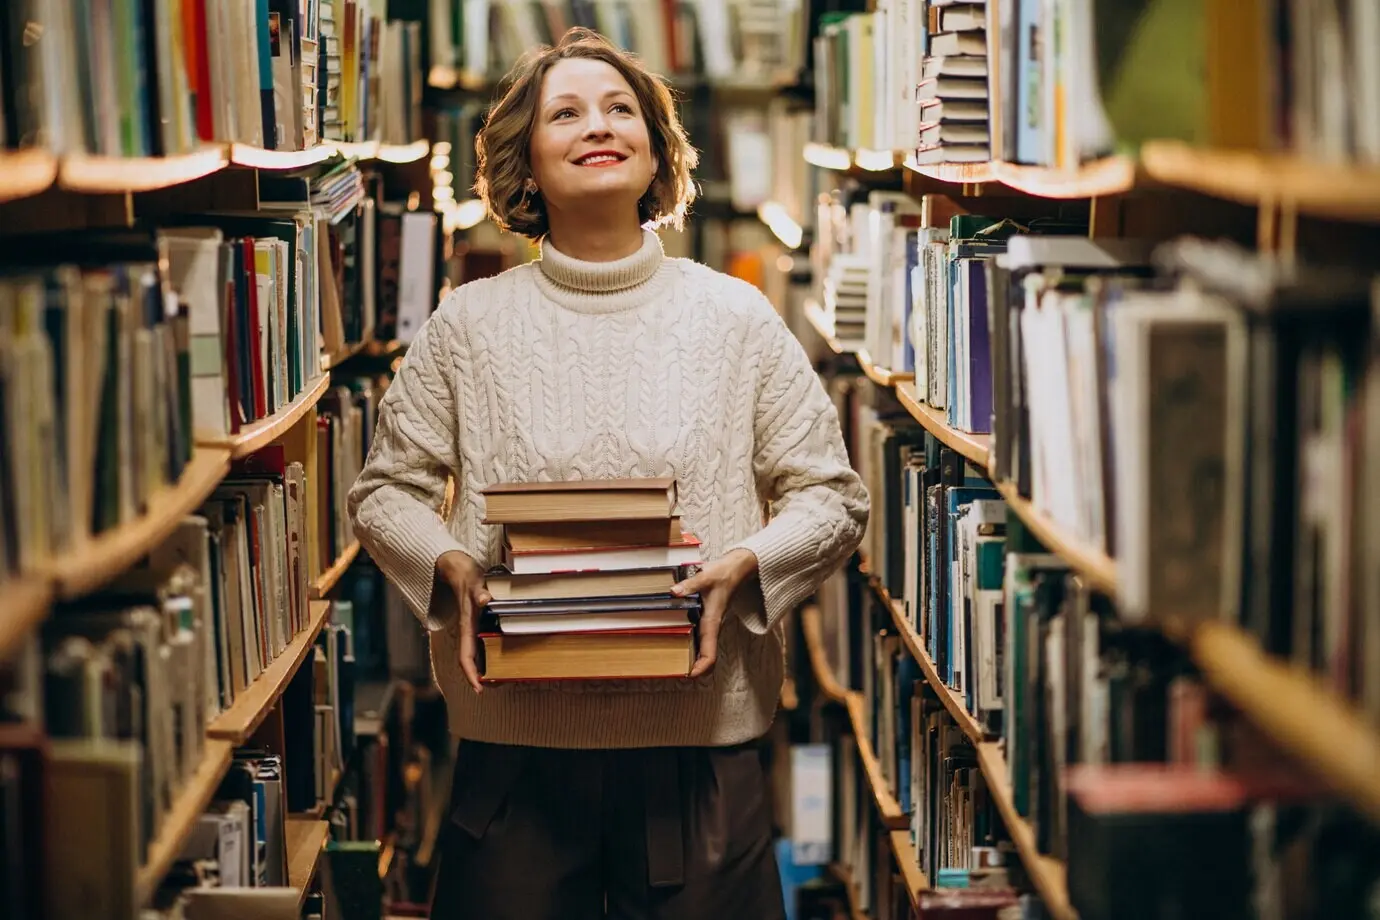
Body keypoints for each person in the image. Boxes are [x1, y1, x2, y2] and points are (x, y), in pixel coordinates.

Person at [347, 27, 868, 920]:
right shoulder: (466, 324)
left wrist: (749, 566)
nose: (599, 125)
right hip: (514, 760)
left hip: (699, 755)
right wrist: (449, 565)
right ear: (525, 163)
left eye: (621, 109)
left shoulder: (736, 318)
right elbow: (385, 490)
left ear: (656, 152)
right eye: (566, 113)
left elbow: (831, 495)